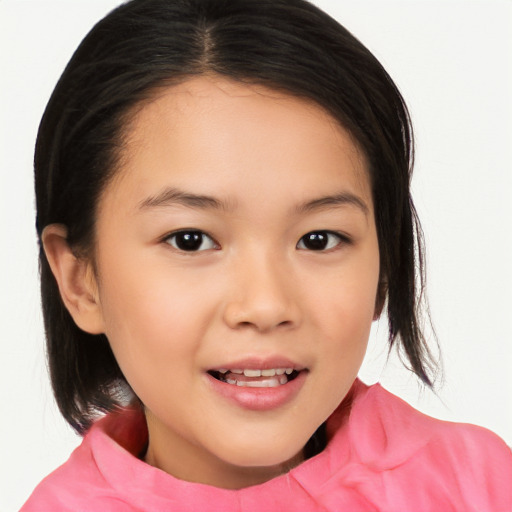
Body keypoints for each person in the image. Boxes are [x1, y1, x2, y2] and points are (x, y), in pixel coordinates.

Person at [21, 0, 512, 510]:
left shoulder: (478, 486)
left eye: (318, 239)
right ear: (81, 281)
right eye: (190, 239)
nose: (266, 305)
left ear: (383, 267)